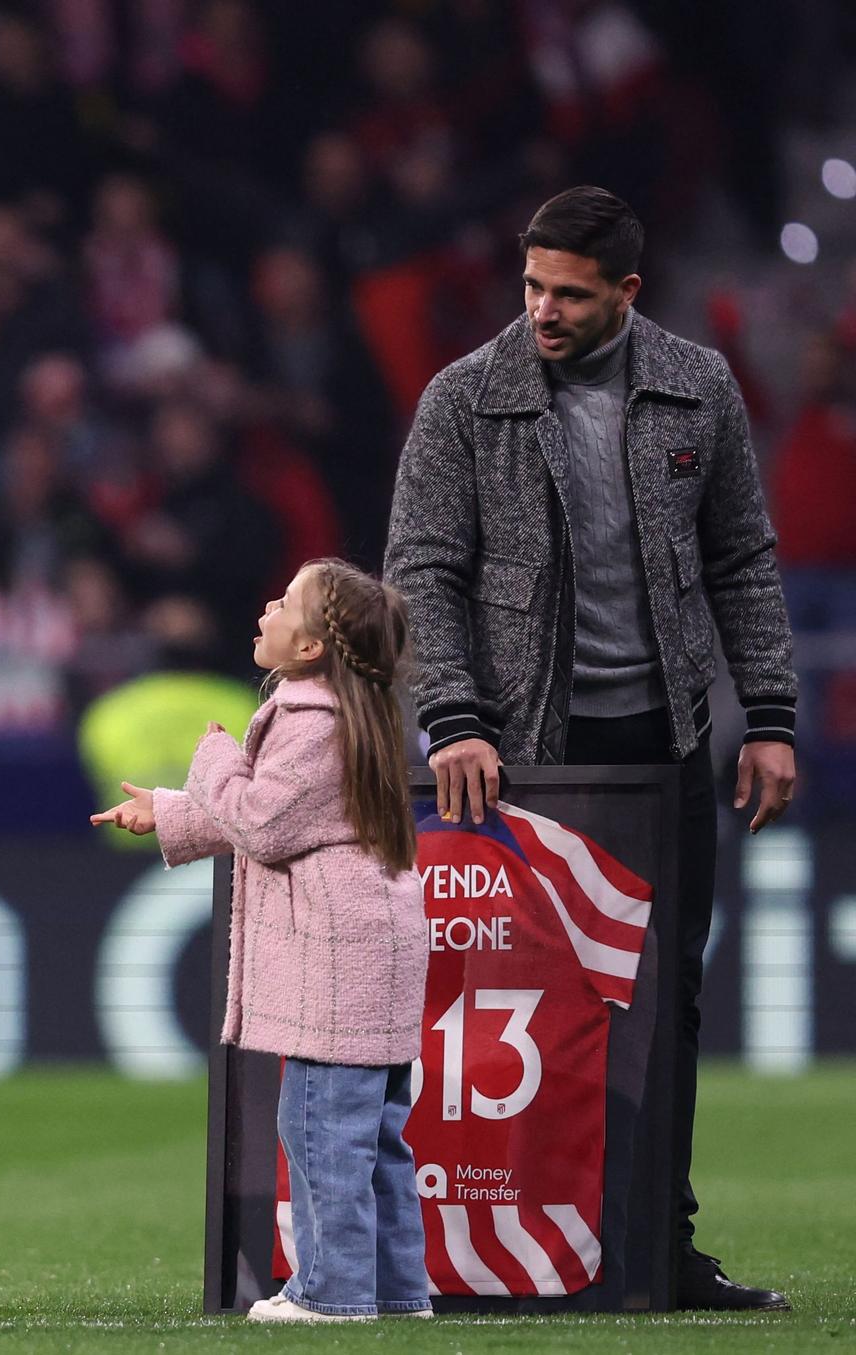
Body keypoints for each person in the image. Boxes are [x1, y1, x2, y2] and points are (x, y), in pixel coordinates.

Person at [384, 187, 797, 1311]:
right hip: (524, 750)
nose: (541, 312)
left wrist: (766, 714)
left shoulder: (696, 387)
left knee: (667, 999)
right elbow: (420, 569)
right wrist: (454, 719)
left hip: (663, 740)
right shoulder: (463, 397)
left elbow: (742, 563)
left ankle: (654, 1245)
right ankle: (497, 1243)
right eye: (529, 287)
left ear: (626, 291)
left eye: (568, 293)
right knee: (516, 998)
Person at [94, 559, 430, 1323]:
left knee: (321, 1131)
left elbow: (266, 823)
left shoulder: (309, 717)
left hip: (341, 956)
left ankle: (333, 1292)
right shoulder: (349, 711)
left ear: (312, 646)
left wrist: (212, 757)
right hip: (372, 948)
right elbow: (291, 815)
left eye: (286, 601)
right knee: (374, 1139)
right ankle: (397, 1290)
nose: (268, 605)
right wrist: (173, 813)